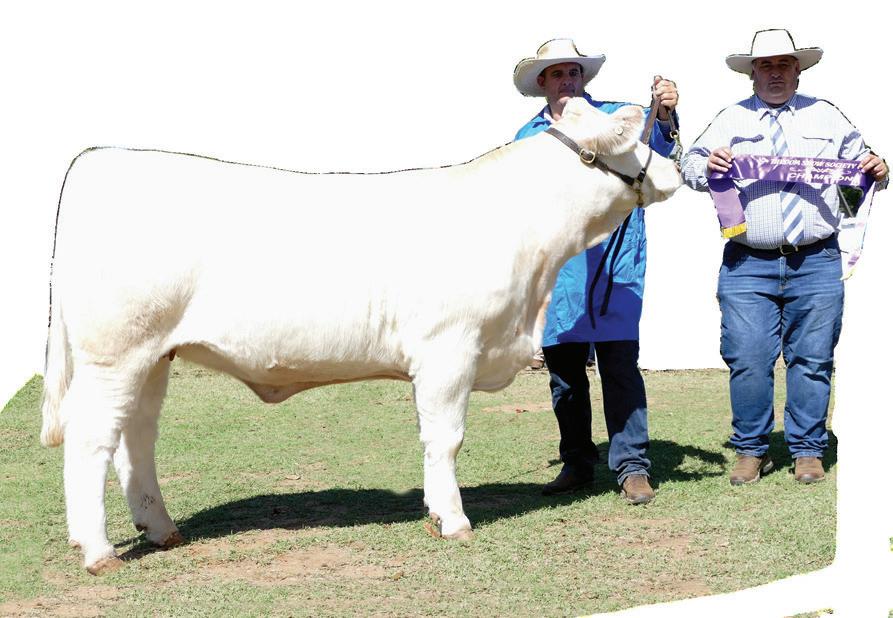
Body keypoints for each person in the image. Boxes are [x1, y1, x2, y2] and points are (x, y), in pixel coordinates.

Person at [680, 29, 887, 485]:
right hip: (746, 262)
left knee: (812, 359)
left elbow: (861, 172)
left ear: (798, 70)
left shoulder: (828, 116)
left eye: (784, 64)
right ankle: (751, 450)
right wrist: (706, 166)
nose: (775, 72)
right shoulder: (730, 119)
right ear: (752, 72)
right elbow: (689, 166)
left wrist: (876, 170)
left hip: (816, 260)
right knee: (748, 358)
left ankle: (808, 450)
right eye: (766, 65)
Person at [512, 39, 680, 503]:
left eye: (574, 72)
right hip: (559, 273)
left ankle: (632, 467)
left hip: (616, 262)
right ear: (543, 82)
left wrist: (664, 115)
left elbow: (655, 151)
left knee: (620, 368)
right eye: (558, 73)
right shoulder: (528, 137)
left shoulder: (617, 117)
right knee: (565, 377)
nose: (568, 80)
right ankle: (577, 464)